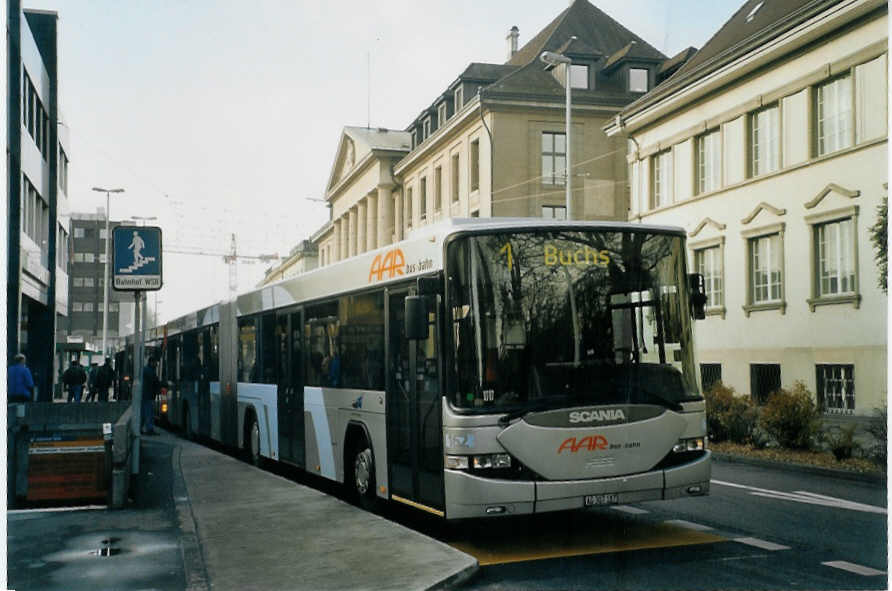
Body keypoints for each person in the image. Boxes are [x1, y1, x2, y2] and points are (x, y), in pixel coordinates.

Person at [141, 356, 160, 435]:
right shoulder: (149, 371)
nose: (156, 364)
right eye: (155, 362)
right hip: (148, 395)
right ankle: (149, 429)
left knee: (144, 413)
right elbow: (155, 381)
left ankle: (141, 428)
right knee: (149, 413)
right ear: (151, 362)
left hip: (145, 395)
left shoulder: (146, 370)